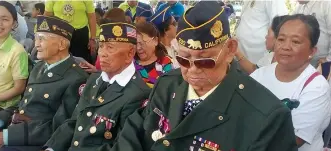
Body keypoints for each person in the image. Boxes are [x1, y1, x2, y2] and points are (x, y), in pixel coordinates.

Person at [97, 1, 297, 151]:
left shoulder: (266, 116)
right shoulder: (168, 84)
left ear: (229, 50)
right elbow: (136, 132)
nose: (192, 70)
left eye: (205, 61)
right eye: (183, 59)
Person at [0, 15, 89, 151]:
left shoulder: (76, 78)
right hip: (17, 130)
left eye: (42, 39)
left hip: (37, 141)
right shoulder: (39, 67)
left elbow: (59, 127)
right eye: (36, 38)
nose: (36, 44)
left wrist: (7, 137)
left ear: (61, 45)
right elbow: (23, 103)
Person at [43, 21, 151, 151]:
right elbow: (75, 121)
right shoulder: (95, 79)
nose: (102, 53)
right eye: (101, 46)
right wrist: (51, 148)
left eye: (110, 48)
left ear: (130, 53)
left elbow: (121, 146)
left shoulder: (138, 93)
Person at [250, 14, 331, 151]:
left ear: (312, 51)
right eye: (281, 39)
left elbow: (293, 140)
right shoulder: (259, 75)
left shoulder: (316, 87)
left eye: (296, 42)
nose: (285, 46)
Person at [135, 22, 174, 88]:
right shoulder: (130, 64)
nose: (138, 48)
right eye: (135, 44)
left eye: (142, 43)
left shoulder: (167, 63)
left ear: (155, 40)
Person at [293, 1, 331, 67]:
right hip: (305, 63)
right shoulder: (298, 8)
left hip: (323, 62)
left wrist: (328, 59)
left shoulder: (326, 4)